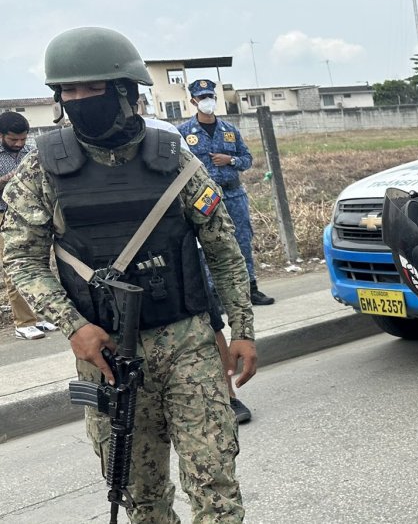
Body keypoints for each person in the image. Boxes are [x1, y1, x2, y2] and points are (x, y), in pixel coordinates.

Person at [1, 26, 258, 522]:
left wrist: (242, 329)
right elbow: (23, 261)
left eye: (91, 88)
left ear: (124, 90)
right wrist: (74, 328)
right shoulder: (41, 169)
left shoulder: (173, 157)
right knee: (142, 497)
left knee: (217, 491)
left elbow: (224, 251)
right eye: (67, 91)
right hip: (109, 354)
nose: (78, 99)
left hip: (189, 342)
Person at [177, 80, 274, 306]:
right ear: (193, 101)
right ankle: (215, 295)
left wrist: (230, 159)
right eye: (202, 98)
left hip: (233, 194)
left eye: (210, 96)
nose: (207, 101)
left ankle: (251, 288)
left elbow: (247, 160)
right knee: (208, 244)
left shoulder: (229, 130)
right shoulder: (183, 133)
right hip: (204, 198)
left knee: (242, 241)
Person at [1, 111, 59, 339]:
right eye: (13, 139)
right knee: (15, 269)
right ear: (1, 135)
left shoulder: (31, 152)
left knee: (40, 266)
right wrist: (9, 179)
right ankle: (23, 322)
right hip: (4, 216)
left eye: (23, 139)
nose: (19, 143)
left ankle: (42, 317)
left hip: (33, 217)